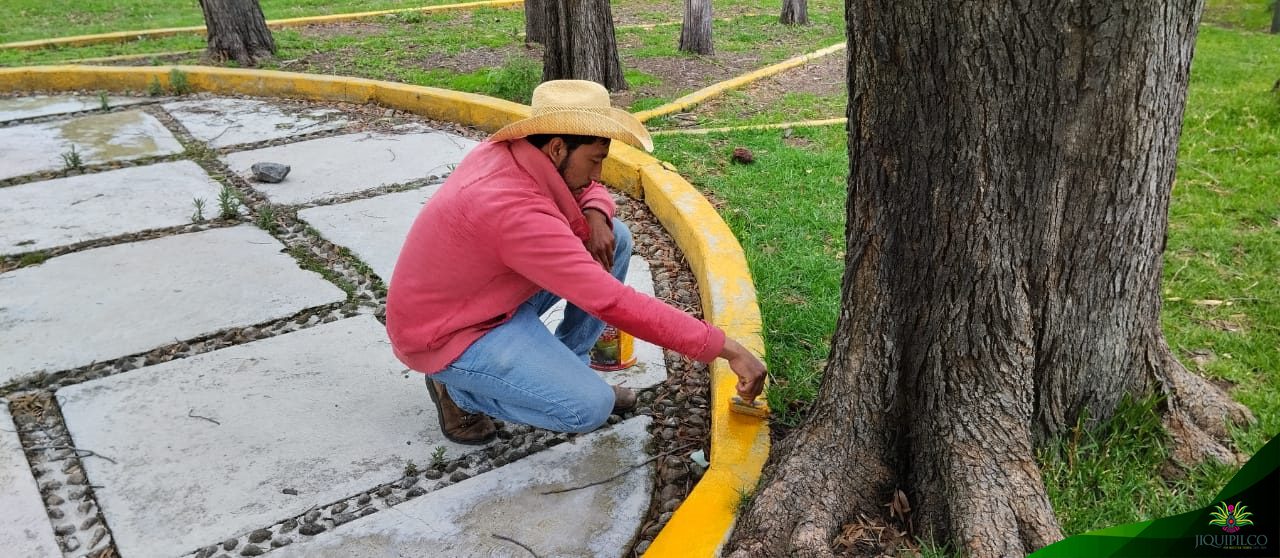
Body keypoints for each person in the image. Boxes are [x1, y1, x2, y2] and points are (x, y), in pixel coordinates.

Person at [386, 80, 766, 444]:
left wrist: (597, 215)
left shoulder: (514, 152)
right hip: (451, 334)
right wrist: (727, 349)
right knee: (587, 408)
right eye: (595, 160)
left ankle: (570, 365)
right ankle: (457, 391)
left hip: (485, 296)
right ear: (556, 148)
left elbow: (587, 187)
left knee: (615, 238)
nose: (599, 174)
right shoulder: (515, 212)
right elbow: (612, 302)